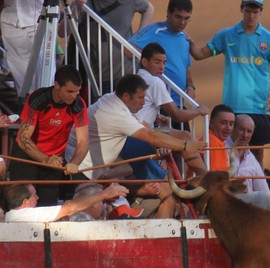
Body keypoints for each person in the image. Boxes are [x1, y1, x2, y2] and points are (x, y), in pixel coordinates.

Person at [189, 0, 270, 167]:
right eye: (248, 11)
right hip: (233, 107)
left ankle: (258, 190)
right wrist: (187, 41)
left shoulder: (269, 39)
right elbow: (199, 55)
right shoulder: (227, 35)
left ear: (261, 12)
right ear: (242, 9)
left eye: (255, 12)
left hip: (258, 106)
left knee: (257, 154)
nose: (251, 15)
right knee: (230, 152)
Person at [65, 74, 206, 181]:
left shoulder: (114, 99)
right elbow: (150, 136)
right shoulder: (114, 112)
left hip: (109, 153)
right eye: (140, 98)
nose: (143, 103)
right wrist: (184, 145)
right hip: (85, 170)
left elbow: (147, 128)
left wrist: (168, 142)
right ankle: (203, 182)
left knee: (183, 136)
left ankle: (203, 180)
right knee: (181, 141)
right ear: (126, 96)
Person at [8, 65, 89, 206]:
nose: (74, 96)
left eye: (77, 91)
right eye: (69, 91)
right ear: (57, 85)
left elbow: (83, 140)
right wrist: (45, 159)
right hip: (27, 157)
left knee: (47, 206)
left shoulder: (78, 104)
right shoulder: (38, 98)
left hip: (54, 158)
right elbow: (23, 138)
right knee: (21, 204)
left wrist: (74, 163)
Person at [64, 0, 154, 99]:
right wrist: (76, 9)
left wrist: (138, 37)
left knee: (128, 112)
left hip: (126, 71)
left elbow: (148, 8)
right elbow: (62, 31)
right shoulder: (81, 2)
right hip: (96, 76)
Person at [129, 0, 196, 117]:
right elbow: (128, 49)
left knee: (183, 135)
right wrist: (151, 58)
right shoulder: (154, 30)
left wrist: (191, 86)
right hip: (157, 103)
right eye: (178, 17)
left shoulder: (184, 37)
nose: (182, 22)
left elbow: (184, 66)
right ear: (168, 14)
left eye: (186, 18)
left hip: (178, 102)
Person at [4, 182, 127, 222]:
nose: (37, 198)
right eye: (34, 195)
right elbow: (68, 208)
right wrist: (104, 194)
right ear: (25, 202)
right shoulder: (25, 215)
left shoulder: (14, 215)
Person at [0, 0, 47, 94]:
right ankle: (26, 105)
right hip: (10, 22)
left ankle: (43, 103)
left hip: (37, 19)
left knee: (41, 76)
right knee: (21, 79)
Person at [227, 114, 270, 194]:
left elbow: (265, 192)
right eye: (241, 130)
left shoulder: (252, 159)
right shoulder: (221, 149)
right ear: (233, 129)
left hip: (247, 203)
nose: (245, 135)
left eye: (249, 131)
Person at [206, 104, 235, 171]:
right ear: (211, 123)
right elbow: (217, 176)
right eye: (223, 123)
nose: (228, 128)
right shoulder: (214, 142)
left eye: (231, 124)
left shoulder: (211, 139)